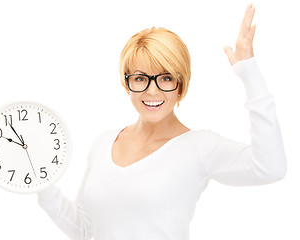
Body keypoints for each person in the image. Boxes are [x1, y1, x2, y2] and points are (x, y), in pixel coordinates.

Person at [37, 3, 287, 240]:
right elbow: (84, 229)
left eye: (166, 78)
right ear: (127, 84)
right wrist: (42, 183)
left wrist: (249, 74)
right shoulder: (103, 143)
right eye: (140, 78)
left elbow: (270, 168)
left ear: (181, 84)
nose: (152, 91)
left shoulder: (199, 147)